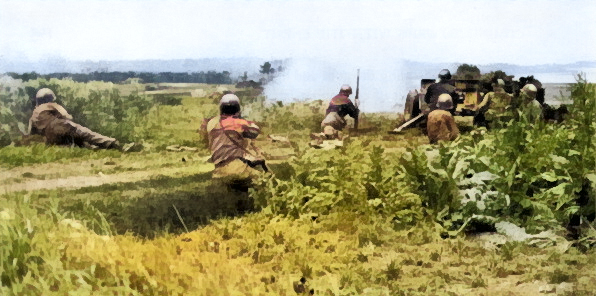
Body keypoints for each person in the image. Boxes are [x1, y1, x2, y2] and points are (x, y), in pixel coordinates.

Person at [201, 93, 267, 187]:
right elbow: (255, 131)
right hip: (237, 167)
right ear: (237, 108)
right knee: (265, 180)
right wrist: (243, 119)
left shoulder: (212, 123)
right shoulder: (239, 123)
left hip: (218, 168)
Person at [26, 88, 120, 149]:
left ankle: (94, 148)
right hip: (59, 126)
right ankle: (112, 143)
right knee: (85, 133)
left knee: (76, 142)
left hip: (50, 137)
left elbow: (31, 133)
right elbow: (67, 116)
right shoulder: (51, 105)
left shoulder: (33, 115)